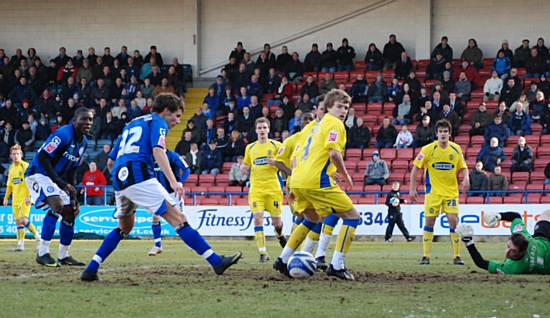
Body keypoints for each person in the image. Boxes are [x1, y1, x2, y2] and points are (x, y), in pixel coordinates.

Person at [81, 93, 242, 281]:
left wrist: (124, 185)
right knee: (179, 219)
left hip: (119, 176)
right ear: (166, 111)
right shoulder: (158, 121)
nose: (178, 120)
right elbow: (158, 150)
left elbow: (110, 162)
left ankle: (91, 268)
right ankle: (216, 262)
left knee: (125, 227)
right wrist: (173, 181)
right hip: (138, 172)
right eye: (177, 115)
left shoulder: (131, 124)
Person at [273, 89, 361, 280]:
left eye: (346, 107)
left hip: (297, 181)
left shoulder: (311, 128)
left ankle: (283, 259)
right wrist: (345, 175)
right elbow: (333, 153)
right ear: (328, 108)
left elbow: (302, 155)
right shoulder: (335, 124)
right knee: (352, 217)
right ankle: (337, 265)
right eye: (339, 106)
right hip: (315, 181)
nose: (343, 111)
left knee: (312, 219)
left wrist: (328, 172)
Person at [24, 107, 92, 267]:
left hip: (57, 178)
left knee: (70, 213)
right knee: (57, 205)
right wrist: (61, 183)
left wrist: (74, 196)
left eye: (90, 119)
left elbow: (73, 169)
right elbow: (43, 157)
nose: (88, 122)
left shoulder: (84, 142)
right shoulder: (63, 134)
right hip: (38, 173)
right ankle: (42, 253)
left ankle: (64, 256)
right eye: (84, 119)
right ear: (74, 121)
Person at [456, 210, 550, 275]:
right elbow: (515, 215)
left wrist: (469, 242)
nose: (508, 252)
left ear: (522, 251)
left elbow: (481, 263)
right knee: (548, 214)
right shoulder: (523, 236)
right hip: (546, 248)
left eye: (512, 250)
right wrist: (499, 216)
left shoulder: (511, 267)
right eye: (508, 247)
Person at [410, 119, 469, 266]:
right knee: (430, 221)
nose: (443, 134)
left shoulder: (456, 149)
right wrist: (412, 188)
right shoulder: (427, 149)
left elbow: (464, 167)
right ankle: (425, 256)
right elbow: (415, 168)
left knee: (453, 221)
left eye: (445, 131)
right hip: (433, 192)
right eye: (440, 131)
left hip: (451, 193)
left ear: (450, 134)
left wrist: (466, 178)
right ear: (436, 133)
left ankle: (457, 256)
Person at [241, 118, 286, 262]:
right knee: (258, 218)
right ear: (256, 130)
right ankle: (263, 252)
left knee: (277, 223)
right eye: (259, 127)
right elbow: (246, 165)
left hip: (273, 189)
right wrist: (243, 168)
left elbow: (286, 165)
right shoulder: (250, 148)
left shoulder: (276, 145)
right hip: (256, 189)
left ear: (268, 129)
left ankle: (279, 235)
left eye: (264, 127)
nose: (262, 130)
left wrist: (277, 163)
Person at [3, 144, 40, 251]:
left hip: (25, 198)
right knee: (18, 221)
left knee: (23, 219)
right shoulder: (11, 168)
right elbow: (9, 185)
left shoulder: (26, 166)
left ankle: (38, 237)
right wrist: (6, 198)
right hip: (15, 199)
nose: (16, 156)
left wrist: (29, 196)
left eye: (18, 154)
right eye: (14, 154)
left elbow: (33, 182)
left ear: (21, 155)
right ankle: (20, 244)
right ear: (10, 156)